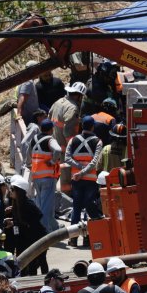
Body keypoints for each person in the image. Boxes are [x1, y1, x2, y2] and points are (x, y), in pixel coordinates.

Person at [65, 115, 104, 246]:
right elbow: (94, 163)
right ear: (93, 127)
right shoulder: (98, 142)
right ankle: (88, 238)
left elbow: (67, 159)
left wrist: (79, 170)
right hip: (91, 180)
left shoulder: (73, 140)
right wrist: (84, 171)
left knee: (76, 208)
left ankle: (73, 238)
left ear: (82, 126)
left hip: (76, 180)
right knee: (89, 207)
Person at [5, 176, 49, 276]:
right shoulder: (15, 204)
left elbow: (38, 216)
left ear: (19, 191)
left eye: (12, 189)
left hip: (37, 237)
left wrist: (26, 224)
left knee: (40, 261)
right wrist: (13, 223)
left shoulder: (28, 204)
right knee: (24, 262)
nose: (10, 191)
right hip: (24, 239)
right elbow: (20, 221)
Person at [29, 118, 62, 233]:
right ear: (51, 129)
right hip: (48, 177)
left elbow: (28, 152)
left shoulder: (34, 139)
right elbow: (58, 150)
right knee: (46, 208)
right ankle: (42, 233)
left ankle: (54, 228)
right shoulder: (50, 139)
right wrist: (53, 161)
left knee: (44, 205)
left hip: (36, 176)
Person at [49, 81, 86, 149]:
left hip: (53, 143)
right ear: (78, 96)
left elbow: (50, 117)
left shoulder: (59, 101)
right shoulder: (73, 108)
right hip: (63, 147)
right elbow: (68, 131)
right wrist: (72, 147)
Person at [16, 60, 41, 126]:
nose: (39, 72)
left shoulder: (27, 81)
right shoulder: (28, 82)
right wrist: (18, 114)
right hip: (30, 118)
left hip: (32, 116)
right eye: (37, 69)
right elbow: (22, 98)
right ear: (32, 70)